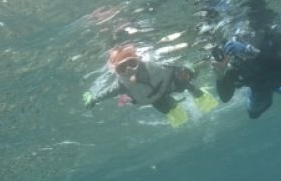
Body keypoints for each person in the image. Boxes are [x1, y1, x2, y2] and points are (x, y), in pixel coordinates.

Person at [82, 44, 218, 127]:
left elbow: (175, 62)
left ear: (139, 60)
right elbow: (107, 93)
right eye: (122, 68)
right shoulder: (121, 85)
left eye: (131, 63)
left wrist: (189, 69)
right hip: (156, 99)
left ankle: (198, 94)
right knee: (173, 112)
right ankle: (175, 105)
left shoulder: (155, 64)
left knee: (186, 80)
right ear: (116, 71)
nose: (129, 70)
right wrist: (93, 98)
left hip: (170, 83)